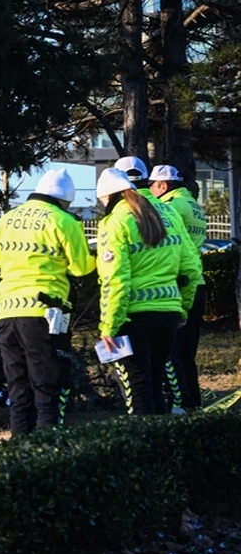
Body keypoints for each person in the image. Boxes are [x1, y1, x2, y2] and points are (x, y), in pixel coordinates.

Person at [0, 169, 94, 437]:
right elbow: (81, 268)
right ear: (65, 200)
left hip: (7, 313)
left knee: (18, 386)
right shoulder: (64, 221)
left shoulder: (5, 220)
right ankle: (47, 449)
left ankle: (20, 447)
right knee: (47, 385)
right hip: (45, 314)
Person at [94, 169, 200, 416]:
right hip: (169, 315)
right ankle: (161, 447)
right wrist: (183, 307)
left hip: (133, 318)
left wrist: (109, 325)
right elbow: (191, 266)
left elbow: (116, 278)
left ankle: (141, 449)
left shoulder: (115, 221)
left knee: (138, 390)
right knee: (156, 381)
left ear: (108, 197)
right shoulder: (168, 212)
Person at [150, 164, 209, 410]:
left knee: (171, 352)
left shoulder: (171, 207)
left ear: (163, 186)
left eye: (152, 185)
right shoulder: (194, 205)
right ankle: (193, 401)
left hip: (180, 283)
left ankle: (179, 403)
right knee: (187, 353)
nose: (150, 190)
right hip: (199, 282)